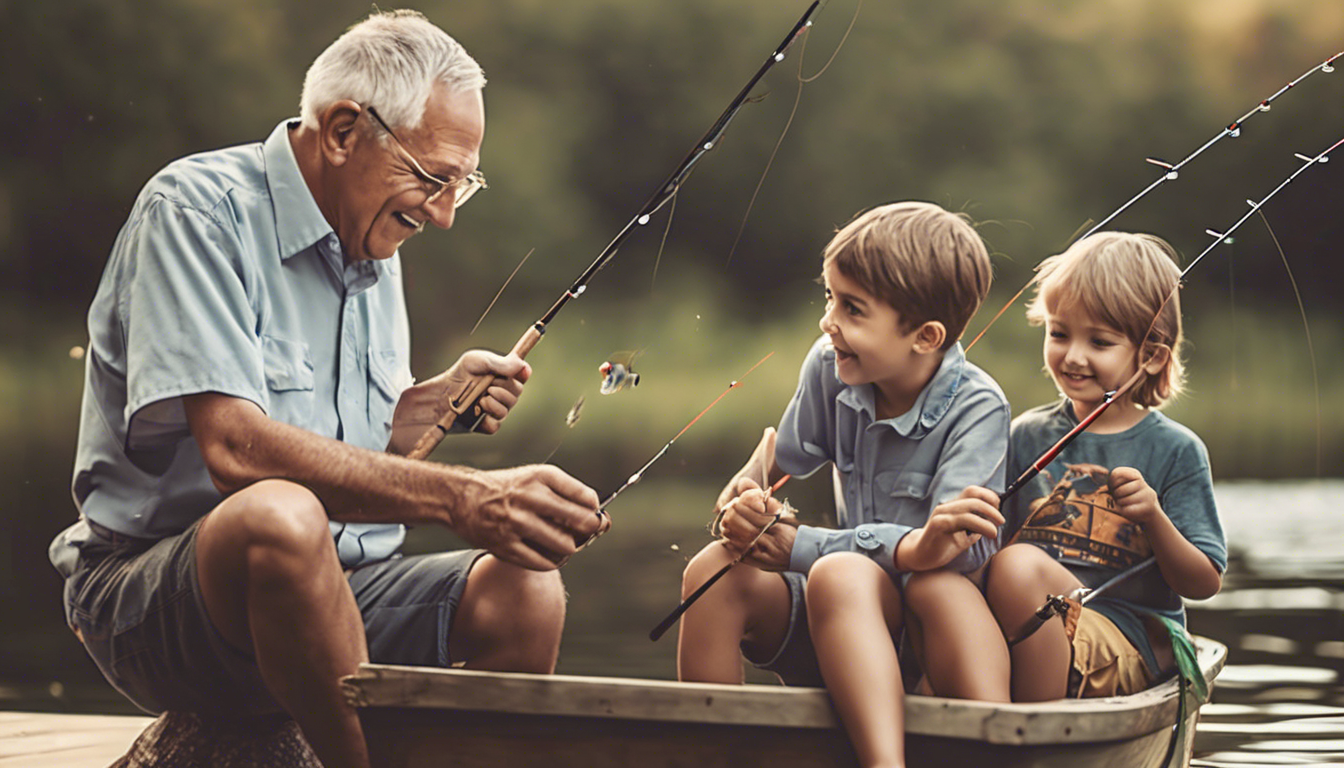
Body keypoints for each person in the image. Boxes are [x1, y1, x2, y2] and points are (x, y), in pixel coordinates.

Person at [47, 11, 605, 768]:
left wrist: (426, 407)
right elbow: (238, 452)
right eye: (433, 178)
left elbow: (343, 448)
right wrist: (467, 499)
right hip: (153, 602)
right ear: (344, 131)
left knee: (526, 587)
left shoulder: (374, 232)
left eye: (461, 187)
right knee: (280, 515)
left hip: (340, 587)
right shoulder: (195, 210)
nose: (441, 214)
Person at [676, 202, 1010, 768]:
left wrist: (807, 544)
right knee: (711, 570)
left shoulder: (979, 408)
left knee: (839, 569)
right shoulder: (831, 363)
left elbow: (953, 552)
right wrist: (747, 493)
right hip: (841, 608)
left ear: (925, 336)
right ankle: (709, 753)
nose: (829, 322)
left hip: (926, 632)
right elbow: (783, 458)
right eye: (830, 298)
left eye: (852, 309)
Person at [907, 231, 1226, 709]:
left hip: (1128, 638)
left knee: (1018, 568)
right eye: (1059, 333)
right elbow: (986, 551)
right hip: (1024, 624)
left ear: (1151, 356)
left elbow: (1202, 583)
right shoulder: (1023, 435)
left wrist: (1154, 519)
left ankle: (1039, 730)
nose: (1073, 356)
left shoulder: (1176, 450)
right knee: (939, 584)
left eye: (1099, 341)